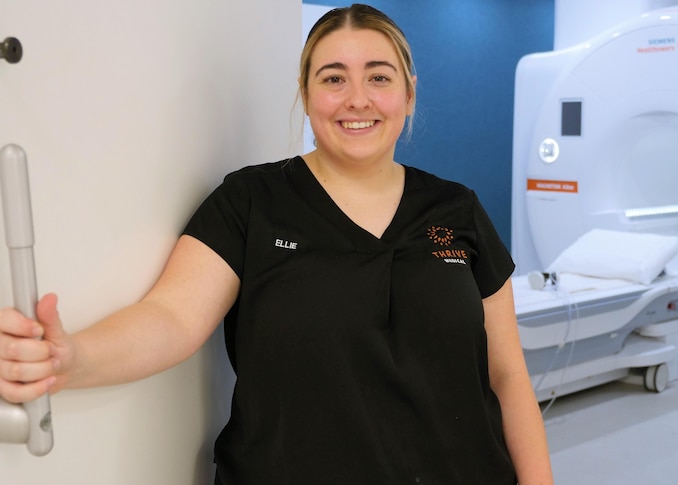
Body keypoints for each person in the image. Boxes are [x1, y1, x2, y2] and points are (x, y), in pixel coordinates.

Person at [0, 4, 553, 484]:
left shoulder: (457, 209)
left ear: (408, 96)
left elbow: (506, 375)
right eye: (333, 78)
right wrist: (72, 358)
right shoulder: (252, 200)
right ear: (307, 96)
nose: (356, 98)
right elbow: (170, 317)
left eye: (379, 78)